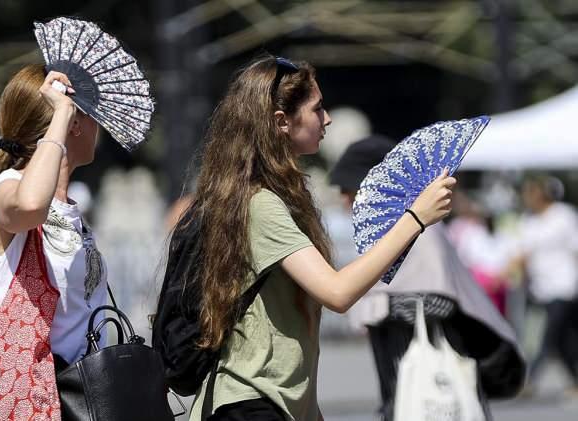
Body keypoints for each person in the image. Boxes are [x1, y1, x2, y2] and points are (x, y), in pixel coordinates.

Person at [179, 55, 456, 421]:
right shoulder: (260, 205)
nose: (327, 119)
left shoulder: (279, 198)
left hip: (277, 404)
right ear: (281, 122)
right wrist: (415, 218)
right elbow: (337, 292)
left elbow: (293, 334)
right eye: (317, 108)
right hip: (249, 404)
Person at [0, 64, 110, 419]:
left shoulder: (72, 213)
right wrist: (61, 114)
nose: (99, 127)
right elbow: (31, 205)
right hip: (14, 402)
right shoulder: (4, 190)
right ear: (73, 122)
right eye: (92, 115)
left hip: (67, 400)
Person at [330, 135, 526, 420]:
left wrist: (377, 305)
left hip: (434, 378)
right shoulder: (389, 229)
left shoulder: (419, 227)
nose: (344, 199)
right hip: (403, 380)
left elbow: (440, 302)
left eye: (348, 189)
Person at [513, 176, 578, 395]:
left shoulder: (564, 216)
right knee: (563, 339)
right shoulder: (528, 221)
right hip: (541, 288)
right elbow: (524, 252)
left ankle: (528, 380)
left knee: (548, 334)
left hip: (564, 285)